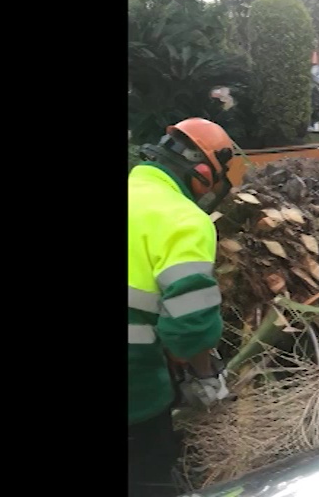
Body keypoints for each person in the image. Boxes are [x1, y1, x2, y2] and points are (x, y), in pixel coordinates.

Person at [127, 118, 236, 497]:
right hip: (134, 388)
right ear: (203, 171)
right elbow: (190, 326)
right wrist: (205, 377)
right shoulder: (183, 219)